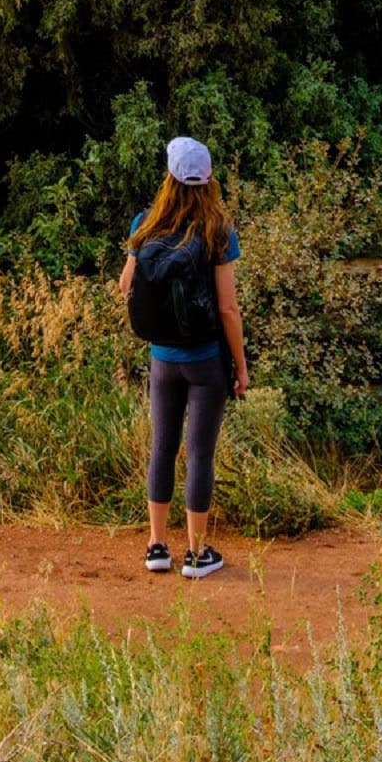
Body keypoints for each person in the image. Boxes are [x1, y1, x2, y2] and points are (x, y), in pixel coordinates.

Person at [118, 134, 249, 578]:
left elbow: (124, 287)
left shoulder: (146, 223)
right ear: (208, 180)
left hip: (162, 358)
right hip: (205, 359)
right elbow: (229, 309)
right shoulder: (218, 231)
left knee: (163, 447)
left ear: (169, 177)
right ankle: (196, 554)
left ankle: (157, 546)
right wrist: (242, 367)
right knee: (200, 454)